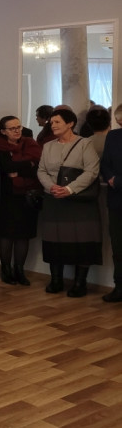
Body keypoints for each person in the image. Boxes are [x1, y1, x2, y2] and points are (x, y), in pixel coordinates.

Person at [37, 108, 101, 297]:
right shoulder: (48, 146)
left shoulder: (85, 144)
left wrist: (69, 189)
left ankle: (80, 283)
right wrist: (52, 187)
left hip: (79, 201)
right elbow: (41, 170)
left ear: (70, 123)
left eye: (57, 122)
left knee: (82, 241)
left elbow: (92, 171)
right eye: (51, 122)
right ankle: (56, 280)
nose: (53, 125)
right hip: (54, 200)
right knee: (54, 240)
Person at [0, 115, 42, 286]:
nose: (16, 131)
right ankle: (6, 270)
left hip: (27, 196)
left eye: (18, 127)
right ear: (3, 131)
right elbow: (5, 167)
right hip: (5, 196)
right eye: (12, 128)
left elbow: (37, 167)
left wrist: (18, 171)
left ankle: (19, 270)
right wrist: (27, 165)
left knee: (23, 234)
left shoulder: (30, 143)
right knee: (6, 234)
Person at [101, 104, 122, 302]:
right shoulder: (113, 136)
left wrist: (118, 180)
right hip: (116, 200)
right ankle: (119, 287)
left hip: (118, 187)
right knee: (118, 247)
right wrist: (110, 178)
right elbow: (105, 162)